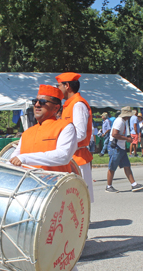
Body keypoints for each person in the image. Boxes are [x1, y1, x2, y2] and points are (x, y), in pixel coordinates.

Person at [7, 84, 93, 271]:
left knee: (57, 249)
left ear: (56, 107)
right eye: (36, 101)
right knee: (16, 246)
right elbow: (18, 163)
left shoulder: (66, 127)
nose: (37, 105)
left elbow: (63, 156)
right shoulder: (27, 133)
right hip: (30, 195)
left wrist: (24, 157)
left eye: (43, 102)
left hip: (57, 197)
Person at [56, 72, 95, 202]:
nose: (58, 89)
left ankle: (84, 221)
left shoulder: (78, 105)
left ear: (67, 86)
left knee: (79, 195)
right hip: (72, 155)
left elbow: (80, 133)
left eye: (59, 86)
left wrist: (61, 140)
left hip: (78, 157)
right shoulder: (70, 104)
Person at [105, 106, 143, 193]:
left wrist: (127, 137)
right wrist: (127, 139)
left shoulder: (124, 121)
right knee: (112, 167)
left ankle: (134, 184)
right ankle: (109, 186)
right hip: (115, 147)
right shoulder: (119, 121)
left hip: (120, 147)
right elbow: (114, 134)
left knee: (127, 166)